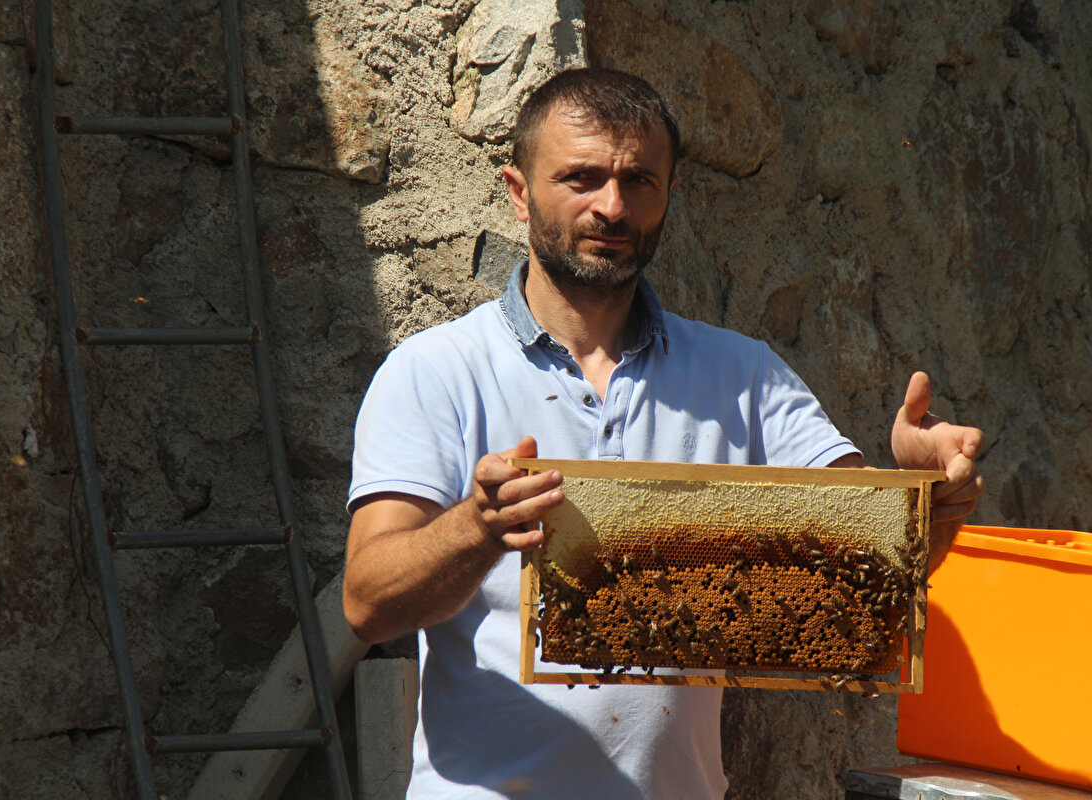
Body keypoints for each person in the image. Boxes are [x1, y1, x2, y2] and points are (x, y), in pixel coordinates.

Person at [343, 67, 983, 799]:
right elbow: (367, 605)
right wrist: (478, 528)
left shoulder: (743, 374)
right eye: (581, 178)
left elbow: (868, 584)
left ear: (669, 196)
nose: (612, 206)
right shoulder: (435, 371)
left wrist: (924, 499)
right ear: (519, 192)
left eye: (639, 181)